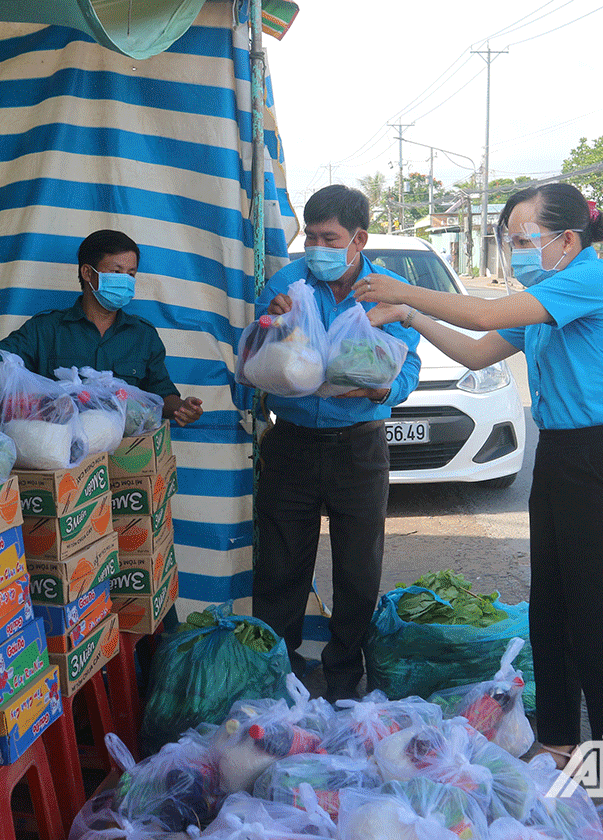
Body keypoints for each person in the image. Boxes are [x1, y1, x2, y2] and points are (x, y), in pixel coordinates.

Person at [356, 182, 603, 769]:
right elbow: (475, 351)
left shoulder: (589, 280)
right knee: (552, 609)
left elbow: (485, 310)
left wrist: (401, 287)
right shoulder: (546, 297)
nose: (515, 252)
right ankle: (562, 741)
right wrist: (412, 313)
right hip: (563, 460)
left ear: (568, 239)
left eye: (523, 239)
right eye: (510, 240)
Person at [250, 184, 422, 702]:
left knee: (357, 569)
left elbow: (409, 363)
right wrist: (273, 324)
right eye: (311, 238)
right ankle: (280, 676)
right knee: (281, 566)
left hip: (360, 446)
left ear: (358, 239)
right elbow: (258, 356)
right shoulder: (286, 284)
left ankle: (345, 678)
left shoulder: (390, 288)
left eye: (331, 238)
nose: (317, 249)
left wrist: (384, 388)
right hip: (293, 443)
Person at [0, 229, 203, 426]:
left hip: (126, 460)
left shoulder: (143, 335)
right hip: (59, 456)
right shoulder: (46, 329)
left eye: (131, 274)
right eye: (116, 272)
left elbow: (162, 395)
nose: (126, 281)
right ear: (88, 272)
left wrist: (181, 407)